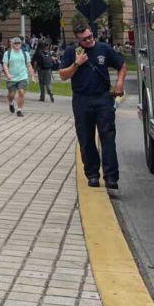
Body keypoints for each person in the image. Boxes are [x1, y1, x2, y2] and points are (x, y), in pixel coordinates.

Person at [60, 26, 127, 191]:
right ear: (78, 40)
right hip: (82, 99)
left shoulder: (104, 48)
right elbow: (63, 75)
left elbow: (122, 65)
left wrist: (119, 83)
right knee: (86, 138)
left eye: (90, 36)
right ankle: (92, 174)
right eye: (85, 39)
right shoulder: (72, 52)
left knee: (108, 136)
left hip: (103, 98)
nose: (89, 40)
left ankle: (111, 176)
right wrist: (77, 63)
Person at [2, 35, 34, 117]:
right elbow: (5, 65)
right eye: (15, 43)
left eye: (18, 43)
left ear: (21, 44)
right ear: (12, 44)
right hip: (12, 77)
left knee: (21, 92)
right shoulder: (7, 53)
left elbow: (29, 65)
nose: (17, 45)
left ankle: (19, 110)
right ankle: (11, 103)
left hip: (22, 76)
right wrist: (8, 74)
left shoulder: (25, 53)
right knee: (11, 94)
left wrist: (32, 75)